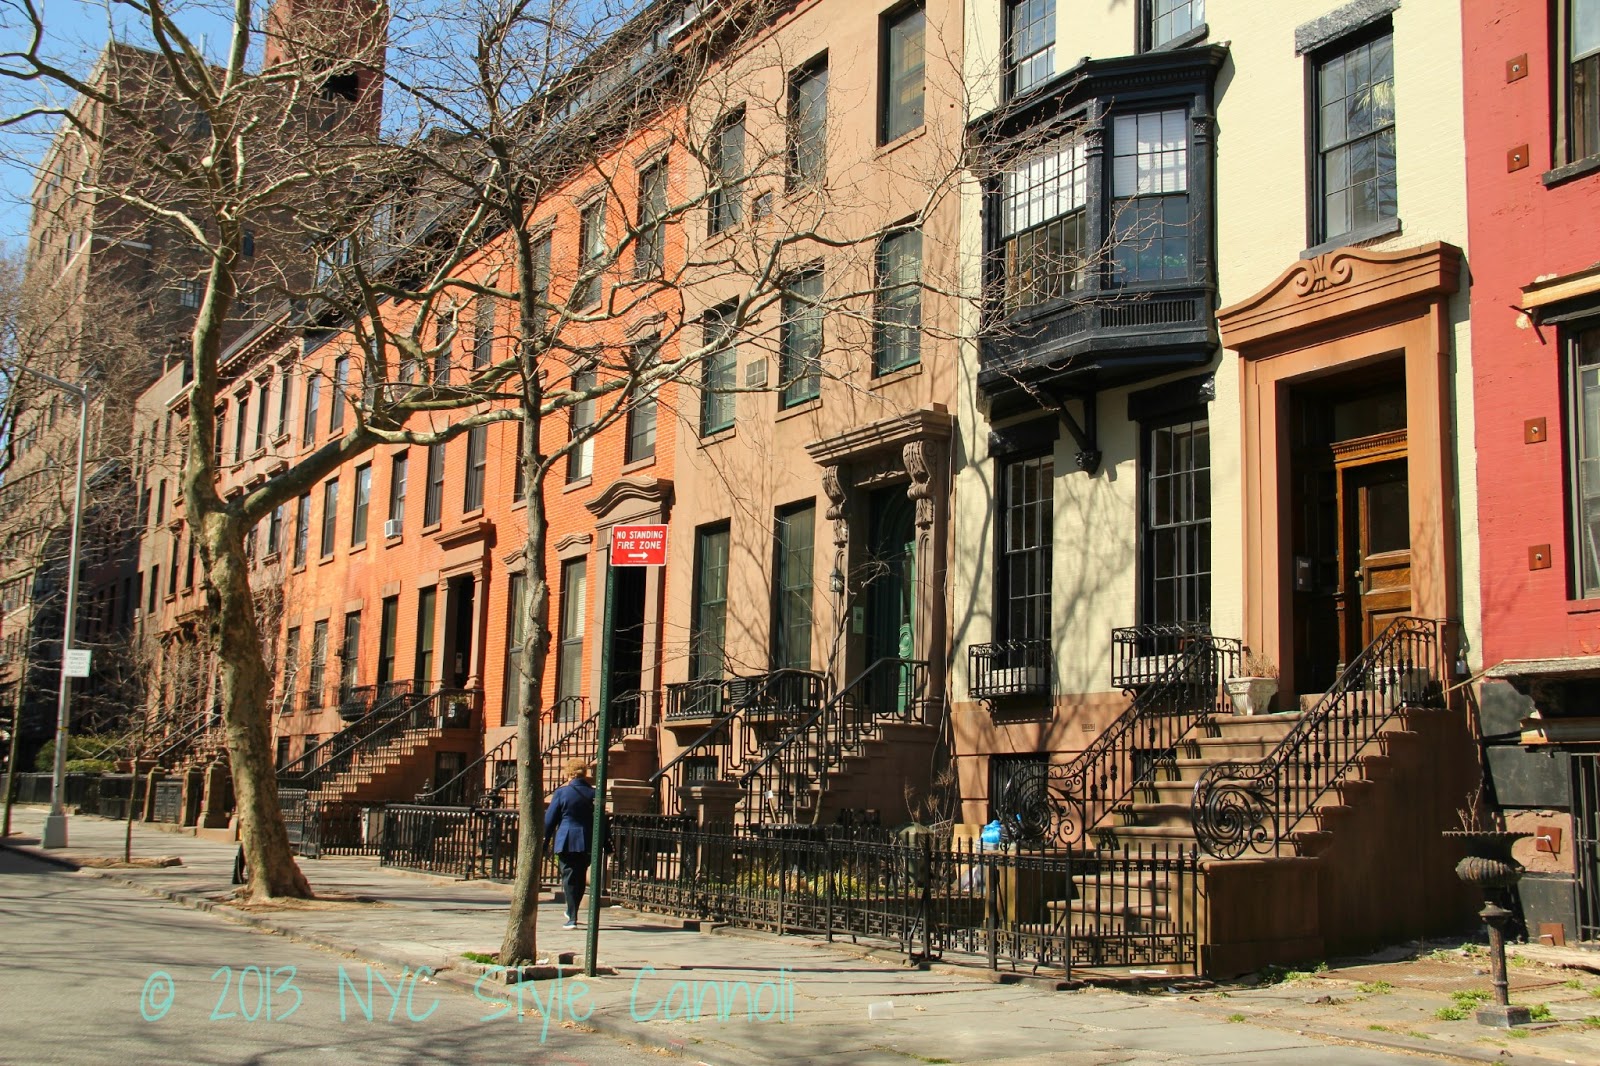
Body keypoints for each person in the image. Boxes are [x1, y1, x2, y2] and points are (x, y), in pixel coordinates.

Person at [544, 758, 596, 929]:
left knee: (568, 875)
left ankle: (571, 915)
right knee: (579, 876)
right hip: (586, 840)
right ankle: (572, 911)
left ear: (569, 774)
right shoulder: (593, 793)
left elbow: (550, 820)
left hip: (566, 839)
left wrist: (544, 842)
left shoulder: (561, 793)